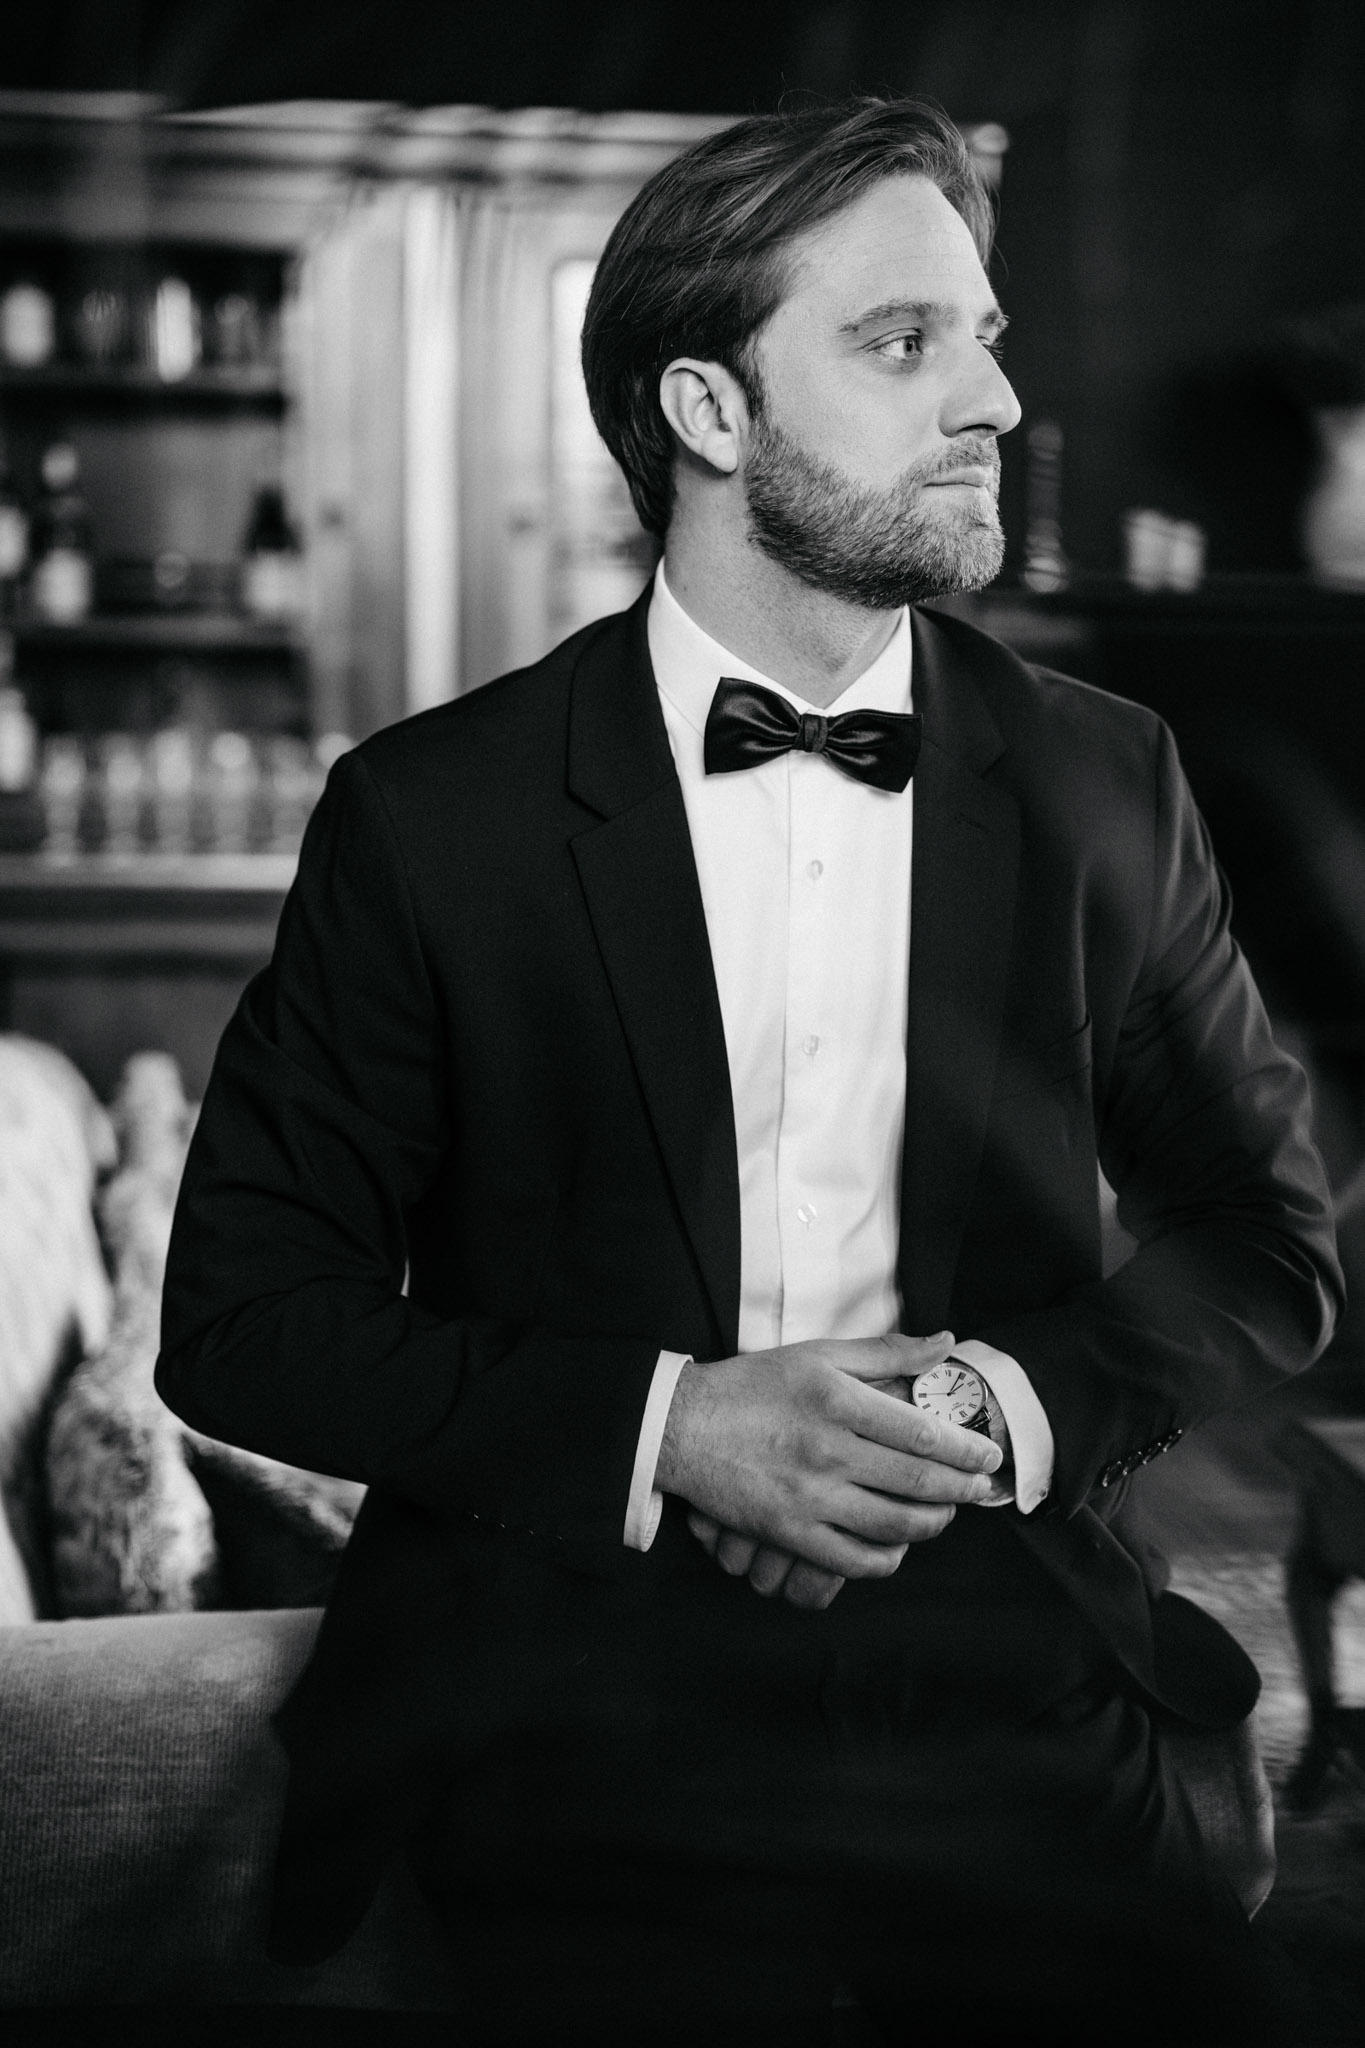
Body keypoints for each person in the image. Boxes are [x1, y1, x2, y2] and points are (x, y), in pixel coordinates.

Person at [157, 98, 1342, 2046]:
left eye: (983, 336)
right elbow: (244, 1320)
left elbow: (1263, 1242)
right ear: (705, 410)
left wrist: (982, 1408)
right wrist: (674, 1428)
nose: (992, 399)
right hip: (571, 1685)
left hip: (1004, 1650)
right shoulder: (429, 817)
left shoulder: (1103, 776)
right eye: (900, 342)